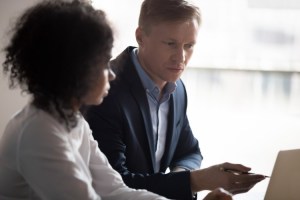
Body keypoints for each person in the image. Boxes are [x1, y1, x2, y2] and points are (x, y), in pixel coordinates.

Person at [83, 0, 266, 199]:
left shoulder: (176, 89)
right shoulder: (103, 91)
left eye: (189, 46)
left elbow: (189, 151)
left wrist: (181, 178)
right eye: (171, 44)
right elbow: (115, 184)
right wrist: (195, 181)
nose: (181, 58)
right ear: (140, 37)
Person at [0, 0, 168, 199]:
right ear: (74, 69)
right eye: (103, 64)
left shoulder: (73, 121)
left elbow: (115, 191)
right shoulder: (37, 131)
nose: (112, 75)